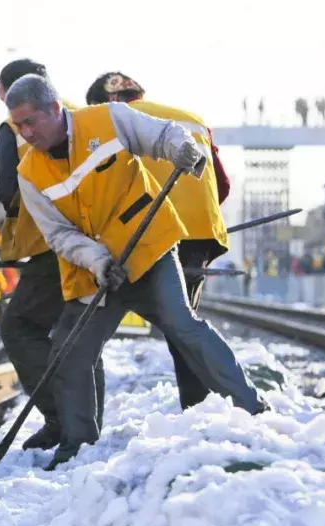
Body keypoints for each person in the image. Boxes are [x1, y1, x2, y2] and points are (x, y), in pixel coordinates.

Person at [7, 75, 266, 468]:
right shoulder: (29, 173)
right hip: (98, 272)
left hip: (149, 251)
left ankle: (252, 408)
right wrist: (97, 261)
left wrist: (182, 150)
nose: (26, 133)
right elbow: (58, 234)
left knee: (183, 324)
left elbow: (162, 135)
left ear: (55, 109)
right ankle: (78, 445)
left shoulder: (108, 119)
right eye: (17, 126)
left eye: (31, 122)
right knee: (70, 349)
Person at [85, 71, 231, 410]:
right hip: (202, 234)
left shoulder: (114, 122)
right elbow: (222, 186)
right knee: (185, 323)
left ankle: (203, 407)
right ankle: (204, 405)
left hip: (154, 233)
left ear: (105, 104)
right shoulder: (193, 120)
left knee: (168, 327)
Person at [0, 59, 104, 450]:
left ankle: (62, 416)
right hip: (99, 237)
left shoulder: (13, 128)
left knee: (20, 326)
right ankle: (86, 424)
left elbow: (10, 192)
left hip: (50, 244)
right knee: (81, 331)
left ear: (5, 91)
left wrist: (12, 241)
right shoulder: (82, 115)